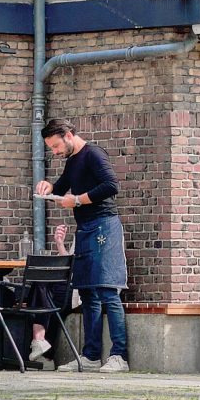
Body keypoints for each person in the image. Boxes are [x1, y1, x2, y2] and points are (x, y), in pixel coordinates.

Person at [37, 118, 128, 373]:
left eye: (56, 146)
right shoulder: (72, 160)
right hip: (86, 226)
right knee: (87, 292)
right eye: (51, 148)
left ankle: (119, 355)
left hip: (104, 225)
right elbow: (63, 185)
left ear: (68, 135)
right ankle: (90, 355)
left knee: (107, 290)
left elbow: (111, 186)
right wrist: (49, 187)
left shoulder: (93, 154)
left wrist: (77, 200)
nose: (55, 152)